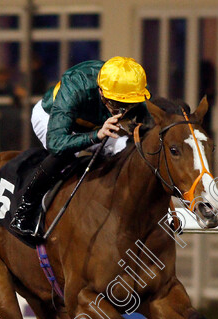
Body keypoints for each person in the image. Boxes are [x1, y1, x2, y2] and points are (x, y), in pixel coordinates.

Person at [9, 56, 151, 238]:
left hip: (96, 125)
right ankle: (24, 210)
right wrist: (96, 136)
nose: (122, 111)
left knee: (128, 150)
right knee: (66, 154)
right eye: (116, 104)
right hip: (53, 119)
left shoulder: (130, 85)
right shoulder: (76, 84)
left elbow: (150, 127)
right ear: (101, 90)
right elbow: (56, 143)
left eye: (128, 104)